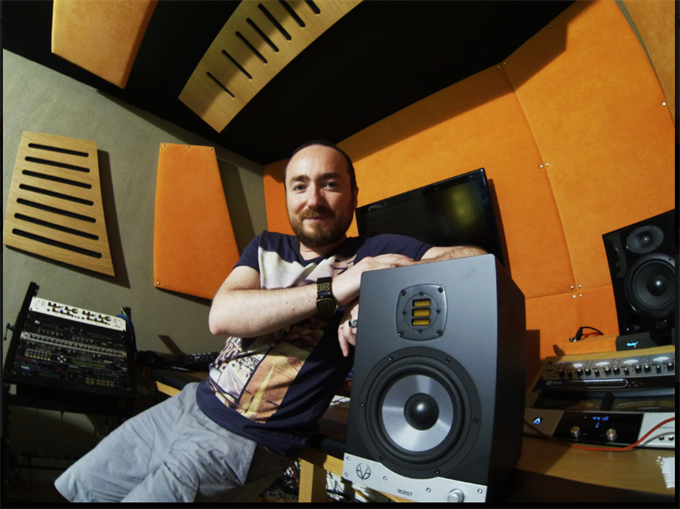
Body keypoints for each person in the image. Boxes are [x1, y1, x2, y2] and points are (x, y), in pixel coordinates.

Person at [55, 140, 485, 502]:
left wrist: (384, 289)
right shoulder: (266, 246)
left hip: (246, 439)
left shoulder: (376, 249)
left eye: (330, 184)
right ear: (288, 198)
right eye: (300, 185)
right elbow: (223, 316)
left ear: (354, 195)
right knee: (81, 486)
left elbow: (474, 260)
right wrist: (336, 290)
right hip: (190, 404)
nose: (313, 199)